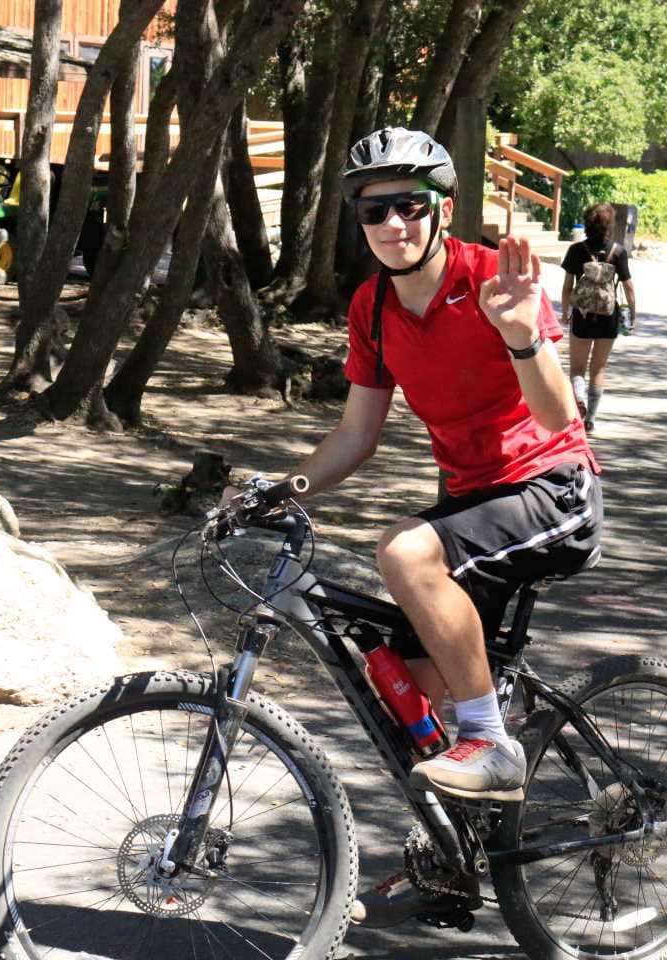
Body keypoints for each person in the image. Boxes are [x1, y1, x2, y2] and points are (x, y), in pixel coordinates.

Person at [233, 127, 602, 926]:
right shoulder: (371, 308)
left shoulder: (492, 281)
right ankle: (451, 855)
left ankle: (492, 744)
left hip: (553, 490)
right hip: (475, 503)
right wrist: (280, 489)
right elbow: (356, 436)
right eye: (375, 210)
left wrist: (521, 333)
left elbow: (559, 412)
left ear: (443, 209)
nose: (394, 223)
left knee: (405, 550)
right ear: (357, 221)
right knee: (398, 675)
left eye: (411, 204)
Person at [562, 203, 635, 433]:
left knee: (577, 369)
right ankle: (591, 418)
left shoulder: (576, 250)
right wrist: (632, 313)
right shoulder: (618, 251)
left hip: (582, 316)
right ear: (609, 225)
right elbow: (629, 287)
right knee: (599, 369)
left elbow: (567, 286)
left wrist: (565, 311)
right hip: (608, 317)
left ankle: (579, 401)